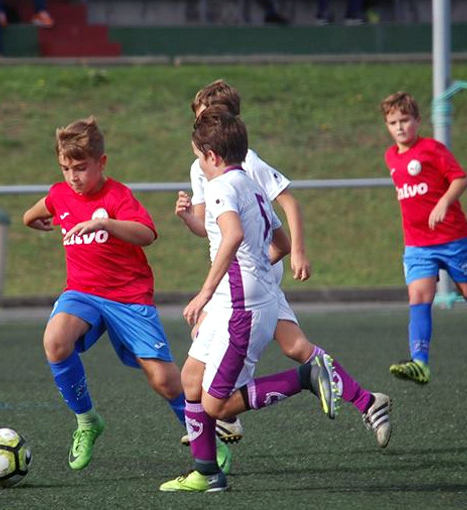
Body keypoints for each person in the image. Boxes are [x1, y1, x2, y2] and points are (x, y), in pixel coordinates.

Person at [177, 79, 393, 449]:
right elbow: (210, 227)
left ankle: (225, 418)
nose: (204, 130)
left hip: (249, 275)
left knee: (246, 354)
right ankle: (367, 400)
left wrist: (296, 252)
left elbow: (286, 205)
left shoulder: (246, 163)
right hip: (237, 273)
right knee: (293, 347)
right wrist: (187, 218)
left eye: (212, 120)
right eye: (201, 120)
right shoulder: (202, 166)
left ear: (231, 124)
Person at [22, 116, 231, 472]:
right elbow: (34, 212)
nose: (73, 177)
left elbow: (147, 233)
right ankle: (87, 421)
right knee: (55, 340)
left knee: (165, 381)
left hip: (128, 297)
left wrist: (105, 223)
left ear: (100, 163)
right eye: (65, 168)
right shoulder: (61, 194)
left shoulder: (117, 195)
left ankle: (204, 441)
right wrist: (33, 220)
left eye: (81, 168)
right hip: (82, 293)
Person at [160, 106, 340, 493]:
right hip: (238, 301)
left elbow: (232, 235)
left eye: (198, 157)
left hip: (239, 309)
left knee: (217, 406)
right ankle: (206, 472)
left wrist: (206, 292)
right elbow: (282, 242)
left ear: (212, 156)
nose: (199, 166)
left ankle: (306, 376)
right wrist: (254, 272)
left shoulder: (222, 186)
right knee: (191, 380)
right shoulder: (251, 183)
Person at [380, 91, 467, 384]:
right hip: (417, 243)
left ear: (418, 121)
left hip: (452, 238)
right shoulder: (390, 156)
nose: (400, 127)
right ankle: (420, 362)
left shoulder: (432, 149)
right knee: (418, 296)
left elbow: (460, 178)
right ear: (387, 125)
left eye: (405, 120)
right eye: (393, 122)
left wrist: (443, 203)